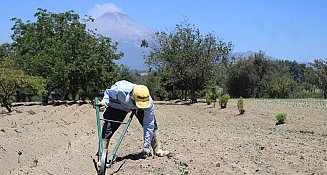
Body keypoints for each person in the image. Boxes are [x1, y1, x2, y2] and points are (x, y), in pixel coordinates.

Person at [98, 80, 169, 159]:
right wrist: (104, 102)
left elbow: (149, 124)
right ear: (132, 96)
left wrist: (146, 146)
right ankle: (102, 154)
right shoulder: (120, 90)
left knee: (153, 126)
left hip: (134, 105)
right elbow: (108, 93)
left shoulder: (148, 102)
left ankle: (157, 149)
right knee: (109, 127)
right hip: (119, 104)